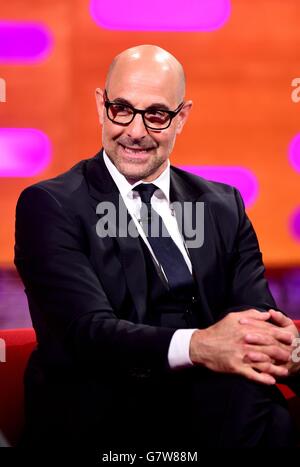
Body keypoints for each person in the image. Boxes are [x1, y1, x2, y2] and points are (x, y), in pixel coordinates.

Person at [14, 44, 300, 448]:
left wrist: (284, 348)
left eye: (156, 115)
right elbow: (87, 333)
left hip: (211, 407)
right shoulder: (52, 205)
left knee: (255, 399)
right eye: (121, 109)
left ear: (181, 118)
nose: (134, 130)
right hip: (106, 411)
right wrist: (198, 346)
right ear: (101, 106)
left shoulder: (223, 206)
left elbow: (253, 315)